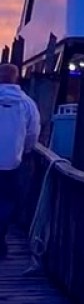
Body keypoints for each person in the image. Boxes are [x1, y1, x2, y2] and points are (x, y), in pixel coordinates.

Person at [0, 64, 40, 257]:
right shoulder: (27, 103)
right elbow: (33, 132)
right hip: (11, 162)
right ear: (16, 79)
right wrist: (27, 150)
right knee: (6, 202)